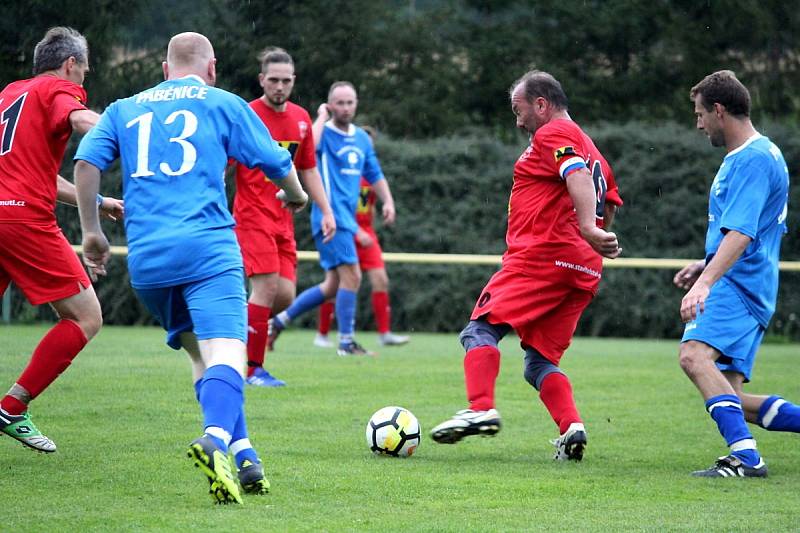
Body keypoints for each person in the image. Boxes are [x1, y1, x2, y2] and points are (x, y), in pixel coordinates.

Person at [73, 32, 308, 504]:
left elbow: (85, 162)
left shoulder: (124, 108)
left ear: (164, 70)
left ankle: (243, 457)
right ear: (213, 68)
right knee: (230, 357)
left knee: (203, 359)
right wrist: (297, 195)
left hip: (148, 261)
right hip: (207, 252)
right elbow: (273, 160)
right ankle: (216, 439)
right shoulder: (223, 102)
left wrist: (92, 231)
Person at [430, 70, 622, 462]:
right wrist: (596, 239)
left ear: (541, 104)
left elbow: (577, 174)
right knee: (539, 362)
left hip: (541, 257)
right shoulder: (593, 148)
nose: (518, 121)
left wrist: (586, 228)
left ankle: (480, 407)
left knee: (479, 329)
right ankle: (572, 427)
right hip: (582, 269)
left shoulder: (553, 133)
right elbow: (610, 201)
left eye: (519, 111)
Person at [0, 27, 123, 454]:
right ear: (71, 64)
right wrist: (127, 130)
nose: (83, 80)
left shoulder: (11, 93)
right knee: (86, 317)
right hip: (23, 220)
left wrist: (100, 199)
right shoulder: (57, 88)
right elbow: (81, 120)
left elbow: (40, 176)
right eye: (84, 71)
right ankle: (12, 406)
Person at [675, 70, 798, 478]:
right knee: (731, 391)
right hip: (752, 283)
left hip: (739, 285)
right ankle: (747, 450)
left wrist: (706, 283)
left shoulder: (752, 159)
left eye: (699, 114)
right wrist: (706, 263)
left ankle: (746, 458)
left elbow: (744, 231)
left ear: (719, 110)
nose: (698, 123)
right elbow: (747, 229)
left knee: (693, 356)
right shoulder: (762, 154)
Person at [270, 81, 398, 356]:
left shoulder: (362, 139)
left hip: (345, 220)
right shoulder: (324, 134)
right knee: (353, 275)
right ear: (330, 105)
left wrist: (387, 200)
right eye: (339, 103)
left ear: (356, 104)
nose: (345, 108)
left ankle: (277, 323)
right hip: (330, 219)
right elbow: (307, 146)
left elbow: (374, 174)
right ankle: (346, 342)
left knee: (332, 286)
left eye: (350, 102)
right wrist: (321, 117)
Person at [233, 47, 335, 387]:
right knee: (265, 288)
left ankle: (234, 331)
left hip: (283, 221)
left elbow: (308, 169)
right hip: (251, 217)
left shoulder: (302, 119)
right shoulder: (247, 115)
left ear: (294, 82)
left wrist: (326, 211)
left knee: (286, 296)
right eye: (273, 80)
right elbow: (223, 164)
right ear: (261, 80)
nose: (279, 86)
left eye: (286, 81)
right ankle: (251, 369)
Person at [314, 127, 409, 348]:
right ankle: (323, 334)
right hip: (344, 229)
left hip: (366, 234)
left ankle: (384, 334)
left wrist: (383, 212)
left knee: (380, 280)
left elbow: (370, 207)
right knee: (335, 284)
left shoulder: (372, 176)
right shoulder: (343, 171)